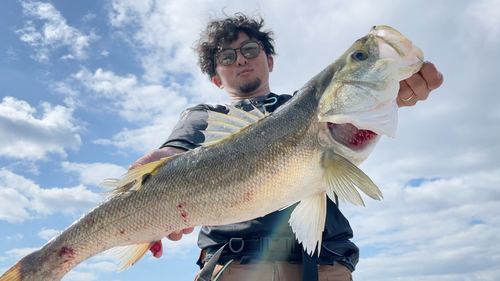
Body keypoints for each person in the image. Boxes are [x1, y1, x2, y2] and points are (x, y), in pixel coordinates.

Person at [129, 13, 444, 281]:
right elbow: (178, 148)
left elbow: (354, 105)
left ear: (269, 60)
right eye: (227, 57)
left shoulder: (313, 104)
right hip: (233, 267)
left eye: (250, 50)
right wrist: (165, 161)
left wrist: (393, 92)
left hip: (325, 266)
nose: (240, 59)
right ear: (216, 78)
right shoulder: (202, 118)